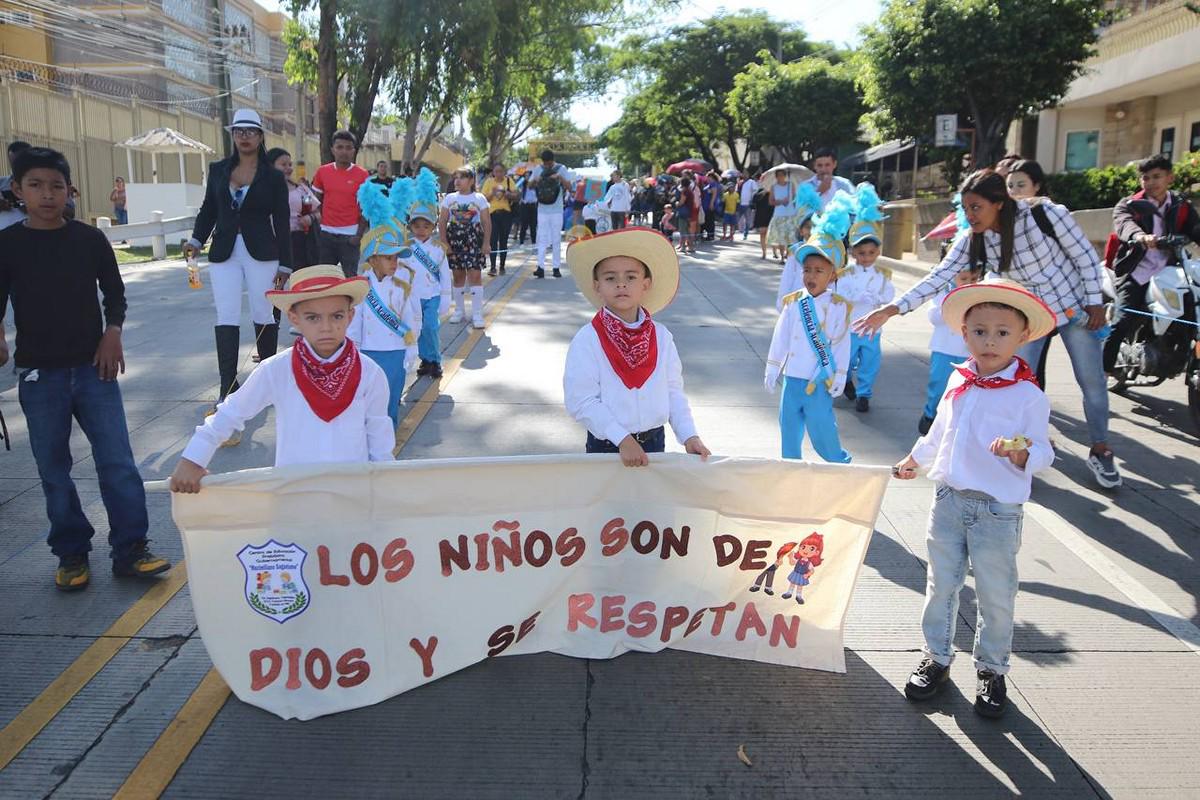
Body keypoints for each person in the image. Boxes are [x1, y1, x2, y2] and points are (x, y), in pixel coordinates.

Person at [855, 169, 1121, 489]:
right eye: (966, 208)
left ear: (999, 202)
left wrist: (1093, 303)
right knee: (1020, 383)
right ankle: (1022, 449)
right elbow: (941, 274)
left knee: (1091, 380)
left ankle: (1101, 448)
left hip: (1075, 309)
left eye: (976, 207)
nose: (969, 215)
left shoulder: (1045, 214)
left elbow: (1085, 258)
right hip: (1027, 319)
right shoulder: (974, 238)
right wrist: (893, 309)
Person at [0, 146, 171, 590]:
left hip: (95, 371)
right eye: (35, 186)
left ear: (70, 190)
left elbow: (115, 294)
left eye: (56, 186)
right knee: (53, 469)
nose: (47, 195)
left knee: (117, 462)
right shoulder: (8, 245)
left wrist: (112, 331)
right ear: (18, 190)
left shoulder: (89, 240)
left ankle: (132, 548)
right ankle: (72, 553)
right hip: (39, 376)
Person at [893, 277, 1056, 719]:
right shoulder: (958, 380)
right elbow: (939, 432)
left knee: (995, 593)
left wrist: (1023, 453)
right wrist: (914, 459)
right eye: (979, 331)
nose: (990, 341)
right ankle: (938, 657)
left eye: (1003, 332)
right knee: (940, 585)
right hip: (948, 500)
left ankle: (992, 668)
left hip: (997, 512)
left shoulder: (1028, 394)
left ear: (1023, 337)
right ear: (964, 334)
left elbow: (1045, 451)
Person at [169, 265, 395, 493]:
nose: (326, 327)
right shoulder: (277, 370)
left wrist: (387, 496)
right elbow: (230, 413)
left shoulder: (369, 373)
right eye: (313, 317)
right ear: (294, 318)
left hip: (352, 496)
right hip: (293, 497)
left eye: (337, 316)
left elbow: (379, 439)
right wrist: (193, 459)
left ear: (350, 315)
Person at [563, 228, 711, 466]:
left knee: (649, 504)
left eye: (630, 277)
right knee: (611, 504)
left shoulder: (662, 337)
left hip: (654, 443)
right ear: (597, 286)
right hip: (607, 446)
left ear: (646, 284)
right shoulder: (588, 339)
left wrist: (688, 435)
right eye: (610, 278)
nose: (621, 284)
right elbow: (581, 401)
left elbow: (673, 392)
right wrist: (622, 438)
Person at [185, 109, 292, 428]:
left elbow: (283, 220)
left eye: (251, 131)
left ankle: (267, 384)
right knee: (226, 314)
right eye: (239, 131)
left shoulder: (273, 176)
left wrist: (286, 262)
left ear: (260, 137)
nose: (245, 136)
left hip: (263, 252)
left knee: (264, 313)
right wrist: (195, 239)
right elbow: (209, 209)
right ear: (233, 135)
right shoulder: (218, 169)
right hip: (225, 251)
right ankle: (227, 387)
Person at [765, 208, 854, 463]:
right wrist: (773, 368)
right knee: (789, 428)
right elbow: (780, 337)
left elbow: (840, 344)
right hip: (793, 377)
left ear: (832, 275)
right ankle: (790, 468)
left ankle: (839, 462)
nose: (811, 276)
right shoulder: (794, 303)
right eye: (807, 269)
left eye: (818, 271)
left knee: (822, 428)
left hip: (819, 379)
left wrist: (840, 375)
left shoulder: (838, 306)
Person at [1107, 153, 1200, 375]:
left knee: (1192, 306)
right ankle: (1103, 371)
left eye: (1156, 176)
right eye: (1145, 178)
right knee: (1123, 320)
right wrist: (1140, 237)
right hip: (1136, 270)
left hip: (1171, 271)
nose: (1150, 182)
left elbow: (1196, 230)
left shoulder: (1181, 205)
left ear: (1170, 177)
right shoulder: (1129, 205)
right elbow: (1124, 225)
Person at [347, 223, 422, 429]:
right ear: (372, 260)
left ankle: (388, 444)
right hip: (368, 353)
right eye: (389, 258)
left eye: (396, 258)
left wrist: (411, 349)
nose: (395, 262)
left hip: (395, 352)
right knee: (367, 401)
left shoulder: (401, 287)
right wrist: (354, 353)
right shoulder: (361, 287)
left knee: (391, 400)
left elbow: (410, 320)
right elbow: (354, 324)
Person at [837, 184, 895, 413]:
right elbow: (839, 294)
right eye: (861, 253)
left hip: (873, 328)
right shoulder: (846, 274)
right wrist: (855, 296)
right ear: (853, 253)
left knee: (870, 363)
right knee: (848, 360)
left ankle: (864, 394)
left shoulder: (882, 275)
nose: (866, 257)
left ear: (877, 252)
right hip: (852, 326)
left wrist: (879, 296)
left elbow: (890, 295)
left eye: (871, 253)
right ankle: (846, 382)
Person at [919, 269, 976, 435]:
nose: (968, 282)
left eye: (973, 278)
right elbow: (934, 317)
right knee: (939, 384)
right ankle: (930, 414)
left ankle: (957, 421)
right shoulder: (942, 291)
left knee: (966, 389)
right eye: (964, 278)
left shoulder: (979, 295)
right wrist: (955, 305)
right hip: (944, 348)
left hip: (969, 351)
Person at [437, 166, 491, 329]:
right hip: (455, 240)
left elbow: (486, 222)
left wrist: (486, 243)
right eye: (456, 177)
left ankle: (477, 313)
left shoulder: (479, 198)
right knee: (458, 276)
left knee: (474, 275)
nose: (457, 181)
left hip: (473, 240)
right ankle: (459, 310)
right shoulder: (449, 198)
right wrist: (444, 242)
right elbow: (442, 221)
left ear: (471, 180)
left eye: (461, 177)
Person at [311, 130, 369, 278]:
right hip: (326, 235)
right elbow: (315, 201)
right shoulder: (322, 172)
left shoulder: (362, 175)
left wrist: (358, 235)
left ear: (354, 150)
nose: (344, 151)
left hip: (350, 237)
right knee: (325, 278)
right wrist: (319, 224)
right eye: (340, 147)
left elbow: (366, 208)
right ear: (332, 149)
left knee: (350, 279)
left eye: (348, 147)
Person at [405, 199, 452, 379]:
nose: (421, 230)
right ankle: (425, 359)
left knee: (431, 327)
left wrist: (446, 297)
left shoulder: (438, 249)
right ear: (411, 227)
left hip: (432, 295)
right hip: (412, 297)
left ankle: (435, 360)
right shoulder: (407, 248)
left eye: (426, 226)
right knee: (418, 329)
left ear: (433, 227)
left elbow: (445, 275)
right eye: (417, 226)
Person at [774, 183, 827, 309]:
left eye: (815, 226)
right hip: (796, 303)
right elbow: (787, 279)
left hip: (820, 305)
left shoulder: (826, 251)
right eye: (808, 227)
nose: (812, 231)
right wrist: (783, 303)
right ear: (801, 230)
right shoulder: (795, 251)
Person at [267, 147, 321, 272]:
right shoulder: (262, 191)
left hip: (299, 242)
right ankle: (277, 290)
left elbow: (317, 212)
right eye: (283, 165)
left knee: (299, 280)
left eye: (290, 164)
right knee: (277, 281)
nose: (288, 168)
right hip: (272, 242)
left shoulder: (301, 190)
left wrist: (310, 217)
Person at [528, 149, 576, 279]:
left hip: (557, 209)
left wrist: (559, 177)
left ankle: (556, 267)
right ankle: (541, 267)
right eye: (545, 163)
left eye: (549, 163)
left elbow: (570, 188)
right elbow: (529, 186)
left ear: (553, 160)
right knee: (542, 238)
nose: (547, 166)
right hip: (542, 209)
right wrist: (535, 180)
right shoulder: (538, 168)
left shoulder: (561, 169)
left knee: (556, 239)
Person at [481, 163, 518, 276]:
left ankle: (502, 266)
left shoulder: (508, 181)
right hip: (492, 214)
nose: (498, 173)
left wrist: (507, 194)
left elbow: (516, 195)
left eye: (500, 171)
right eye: (496, 171)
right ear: (493, 172)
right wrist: (492, 193)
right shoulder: (489, 182)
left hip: (505, 214)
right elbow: (483, 198)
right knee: (493, 240)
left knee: (503, 240)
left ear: (504, 172)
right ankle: (492, 267)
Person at [765, 170, 797, 261]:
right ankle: (782, 256)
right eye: (778, 175)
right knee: (781, 238)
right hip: (779, 214)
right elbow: (770, 202)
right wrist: (780, 201)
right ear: (776, 177)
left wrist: (795, 206)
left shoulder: (791, 185)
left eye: (782, 175)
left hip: (791, 214)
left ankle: (788, 255)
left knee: (791, 237)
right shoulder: (774, 187)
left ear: (785, 176)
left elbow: (795, 199)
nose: (780, 177)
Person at [0, 140, 32, 230]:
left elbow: (69, 212)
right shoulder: (1, 183)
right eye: (13, 163)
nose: (16, 166)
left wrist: (34, 207)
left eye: (20, 162)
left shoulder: (46, 183)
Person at [751, 180, 774, 259]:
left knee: (772, 235)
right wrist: (763, 192)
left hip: (772, 216)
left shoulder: (774, 191)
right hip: (761, 216)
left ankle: (775, 251)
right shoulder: (760, 191)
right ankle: (764, 253)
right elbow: (754, 200)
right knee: (763, 234)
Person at [517, 174, 538, 245]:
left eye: (529, 175)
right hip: (524, 205)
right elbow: (516, 188)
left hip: (533, 205)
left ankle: (534, 242)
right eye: (526, 175)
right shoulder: (522, 183)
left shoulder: (535, 184)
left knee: (533, 225)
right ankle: (521, 242)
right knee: (524, 224)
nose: (528, 177)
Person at [738, 171, 759, 240]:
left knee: (747, 220)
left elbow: (755, 191)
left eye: (746, 174)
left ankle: (745, 234)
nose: (744, 175)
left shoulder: (751, 182)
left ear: (748, 174)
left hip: (748, 204)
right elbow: (736, 191)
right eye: (743, 173)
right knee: (737, 218)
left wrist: (752, 199)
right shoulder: (740, 182)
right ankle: (732, 233)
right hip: (740, 203)